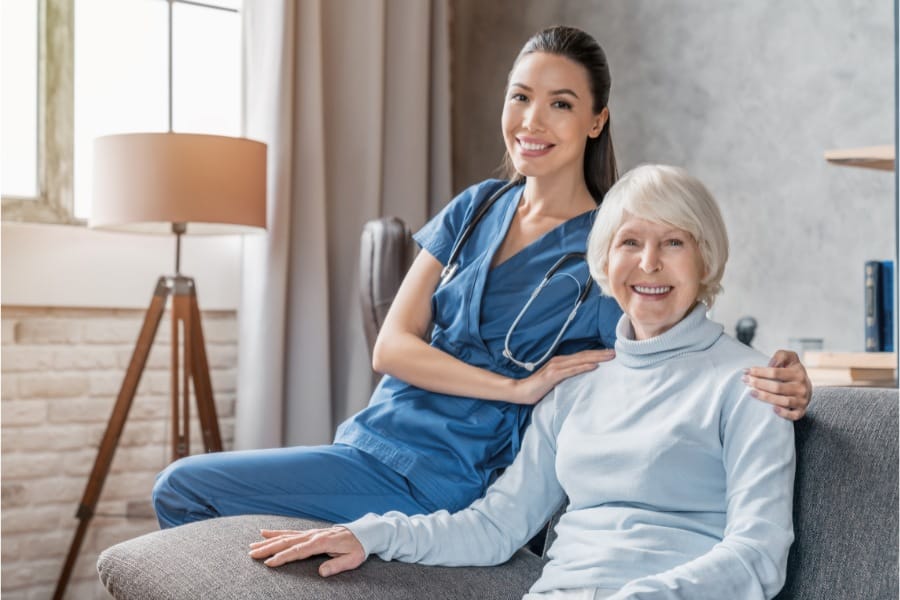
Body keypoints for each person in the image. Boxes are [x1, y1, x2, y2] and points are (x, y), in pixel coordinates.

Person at [153, 26, 809, 530]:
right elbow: (392, 346)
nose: (532, 121)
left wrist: (777, 380)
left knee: (182, 488)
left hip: (451, 476)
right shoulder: (475, 208)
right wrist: (515, 388)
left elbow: (672, 346)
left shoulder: (610, 244)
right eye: (521, 97)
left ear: (596, 121)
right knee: (189, 494)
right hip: (373, 444)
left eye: (560, 103)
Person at [249, 164, 796, 600]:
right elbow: (494, 527)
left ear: (706, 259)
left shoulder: (750, 385)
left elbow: (759, 554)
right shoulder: (578, 388)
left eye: (674, 242)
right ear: (606, 260)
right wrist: (370, 533)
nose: (649, 263)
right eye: (630, 242)